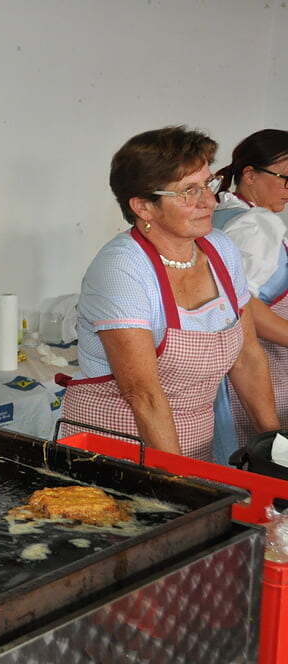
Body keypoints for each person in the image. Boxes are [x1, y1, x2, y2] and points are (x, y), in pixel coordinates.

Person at [60, 126, 279, 460]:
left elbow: (247, 356)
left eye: (208, 184)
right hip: (118, 447)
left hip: (194, 441)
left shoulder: (220, 250)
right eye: (188, 191)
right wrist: (179, 481)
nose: (209, 201)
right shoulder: (122, 269)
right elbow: (144, 395)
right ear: (144, 207)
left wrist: (276, 448)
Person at [211, 129, 288, 464]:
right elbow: (242, 306)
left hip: (229, 361)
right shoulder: (256, 225)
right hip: (258, 361)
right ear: (250, 174)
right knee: (260, 458)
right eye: (285, 178)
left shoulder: (218, 215)